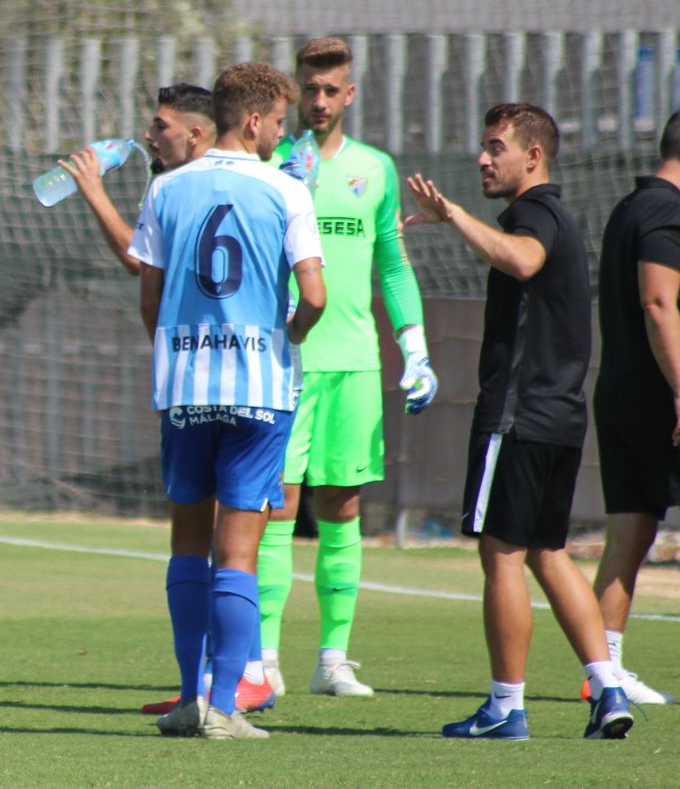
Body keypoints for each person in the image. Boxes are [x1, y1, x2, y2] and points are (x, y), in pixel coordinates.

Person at [404, 102, 633, 741]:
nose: (483, 157)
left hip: (518, 415)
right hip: (559, 416)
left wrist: (453, 216)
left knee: (501, 554)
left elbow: (523, 260)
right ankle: (608, 687)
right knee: (548, 552)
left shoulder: (532, 214)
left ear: (532, 156)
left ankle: (506, 706)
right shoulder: (558, 213)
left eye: (495, 146)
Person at [132, 62, 325, 740]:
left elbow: (150, 299)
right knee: (238, 552)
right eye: (278, 122)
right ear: (254, 120)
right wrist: (288, 336)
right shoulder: (286, 190)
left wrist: (180, 353)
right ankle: (224, 705)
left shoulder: (167, 189)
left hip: (185, 386)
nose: (281, 132)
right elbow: (316, 296)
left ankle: (188, 697)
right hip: (259, 387)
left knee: (187, 544)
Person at [258, 37, 437, 699]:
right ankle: (265, 657)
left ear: (350, 94)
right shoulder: (270, 161)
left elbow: (391, 262)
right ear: (294, 91)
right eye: (309, 89)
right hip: (285, 361)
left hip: (355, 365)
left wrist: (414, 346)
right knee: (276, 505)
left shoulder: (376, 169)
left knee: (344, 504)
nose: (320, 101)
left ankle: (333, 658)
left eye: (332, 90)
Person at [585, 110, 680, 707]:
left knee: (631, 530)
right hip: (657, 397)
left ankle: (603, 670)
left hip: (620, 390)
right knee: (630, 532)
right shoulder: (667, 211)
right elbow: (658, 301)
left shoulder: (629, 207)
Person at [58, 82, 215, 275]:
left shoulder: (175, 188)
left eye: (161, 126)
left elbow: (138, 262)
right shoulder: (242, 181)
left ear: (194, 134)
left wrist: (94, 191)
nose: (148, 135)